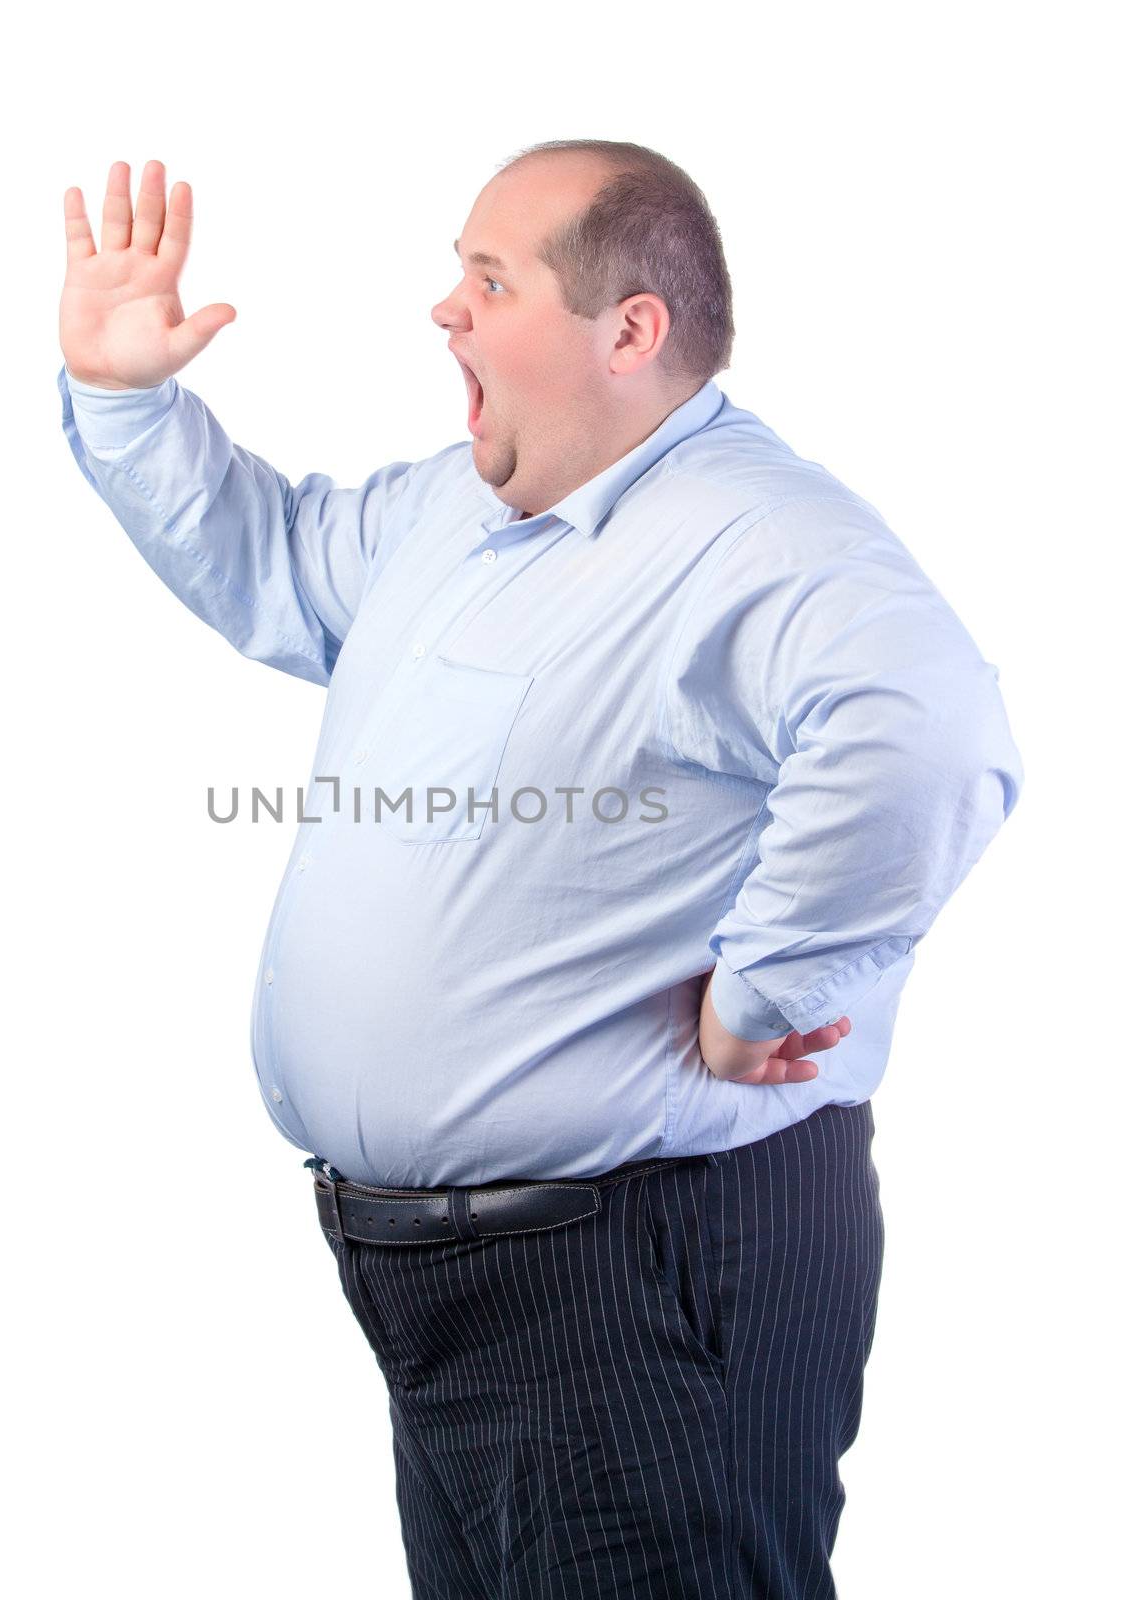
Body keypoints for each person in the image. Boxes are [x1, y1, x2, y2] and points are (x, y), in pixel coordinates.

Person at [56, 139, 1023, 1598]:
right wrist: (130, 399)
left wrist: (769, 995)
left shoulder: (760, 538)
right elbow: (272, 558)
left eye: (486, 279)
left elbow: (928, 734)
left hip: (635, 1275)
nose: (444, 310)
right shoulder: (452, 506)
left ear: (627, 331)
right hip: (461, 1285)